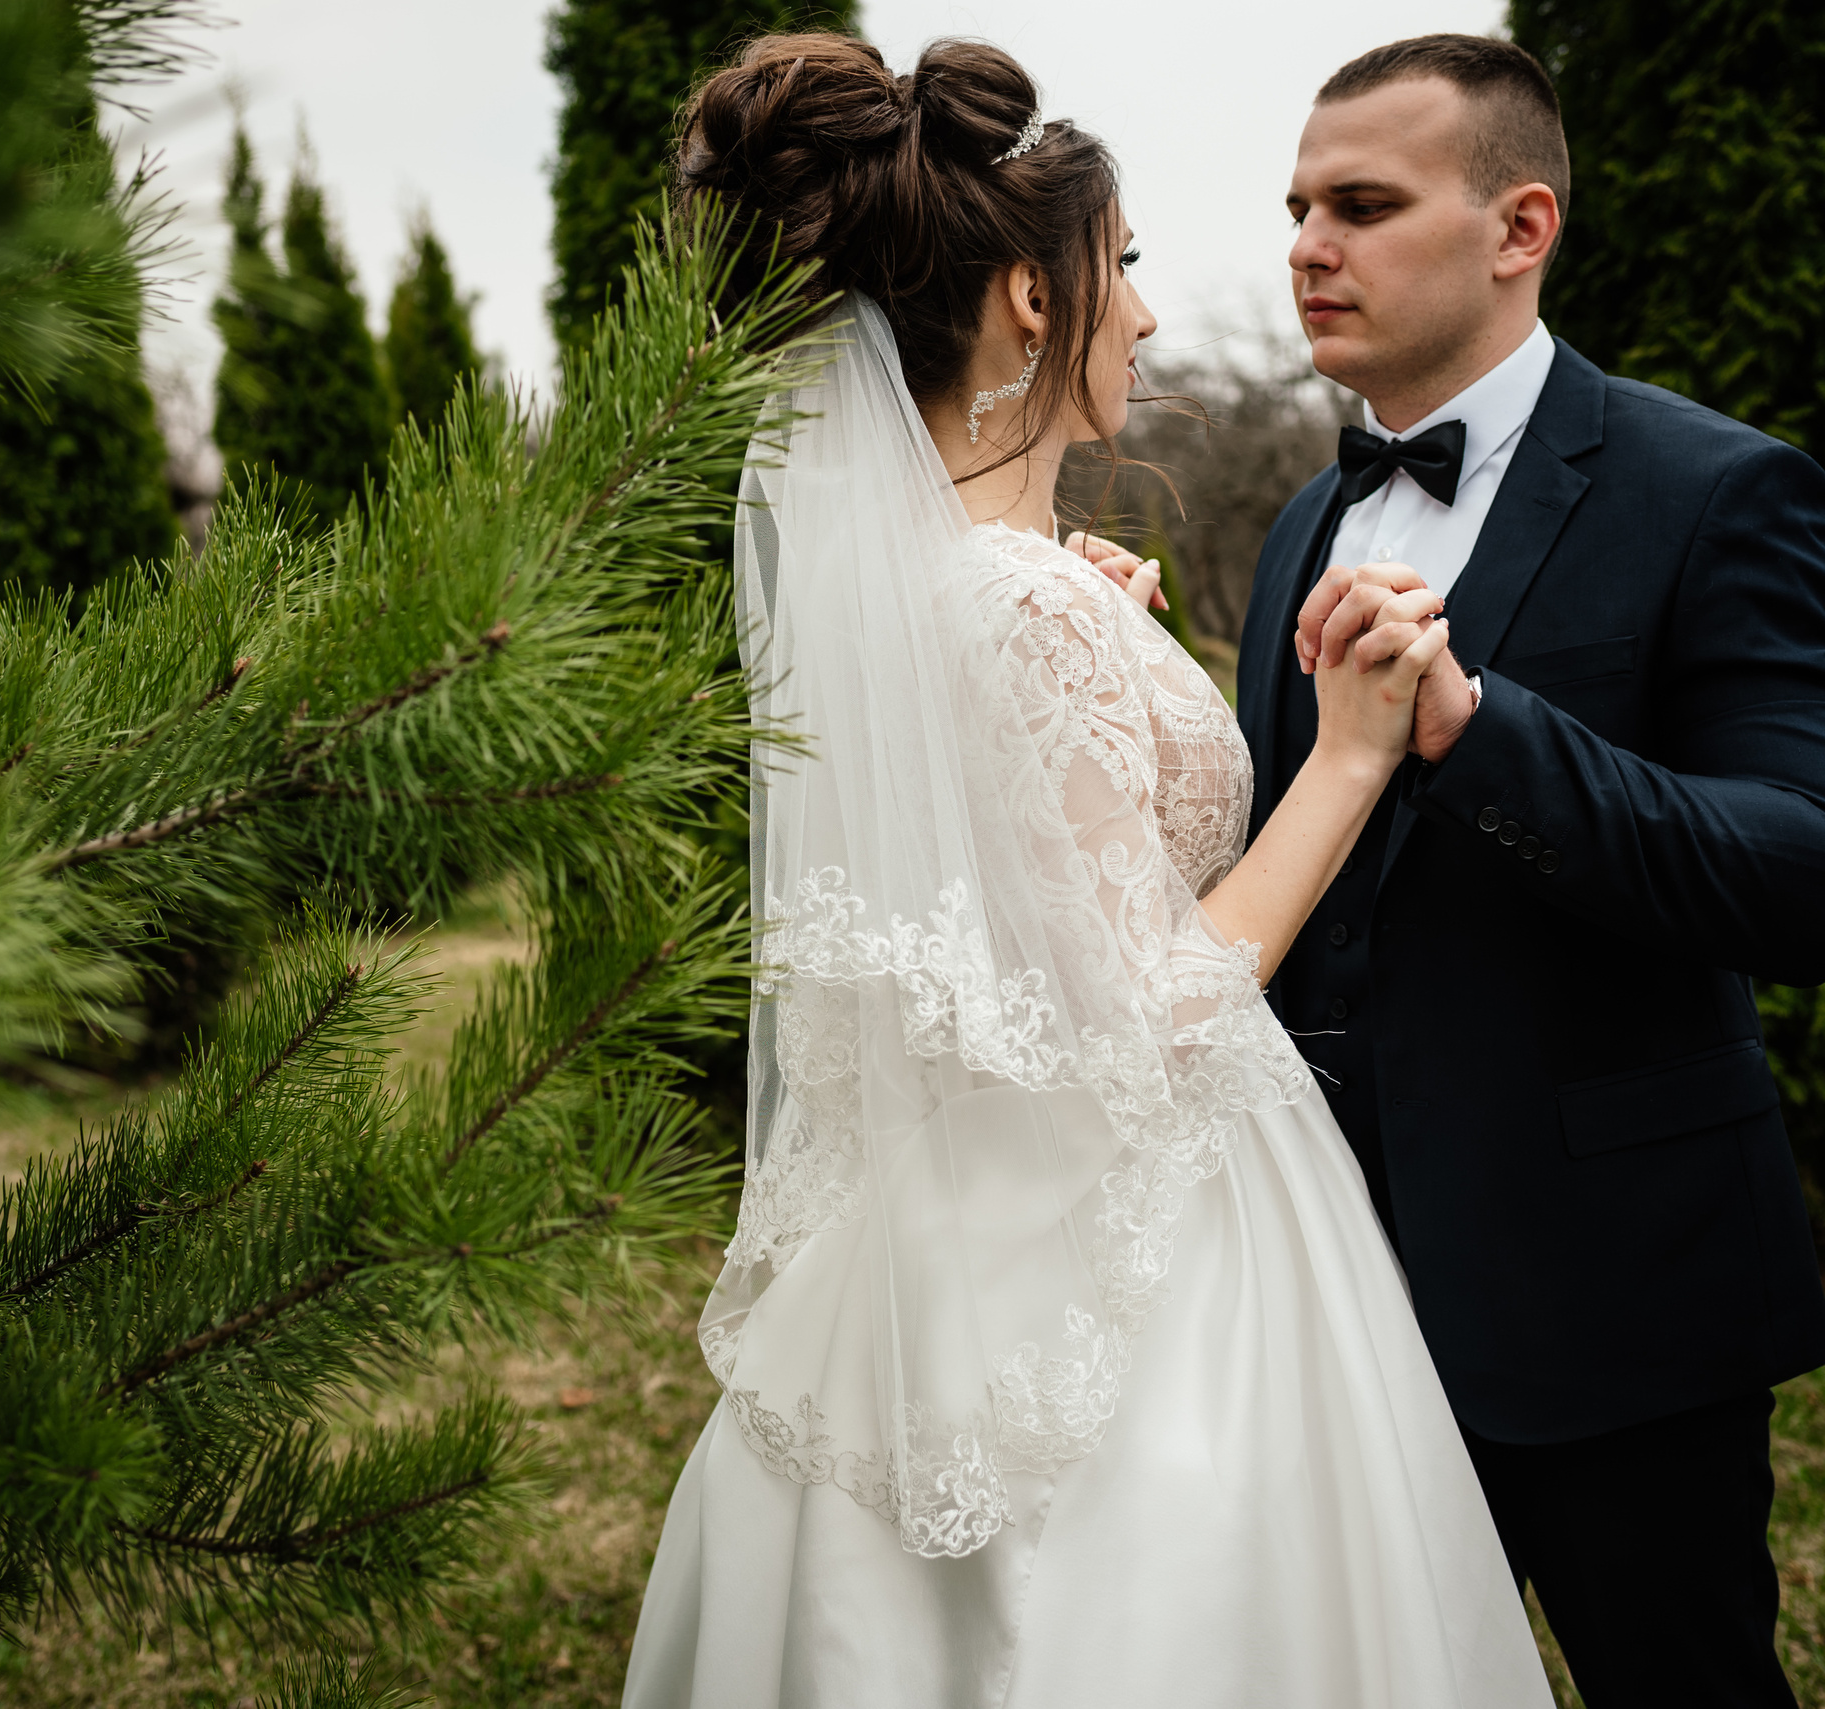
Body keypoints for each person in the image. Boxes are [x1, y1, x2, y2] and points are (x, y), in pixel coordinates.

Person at [622, 32, 1553, 1709]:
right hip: (1155, 1227)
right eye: (1117, 263)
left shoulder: (951, 590)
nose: (1144, 307)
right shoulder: (1019, 602)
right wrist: (1346, 754)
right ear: (1031, 303)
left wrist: (1093, 635)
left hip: (949, 1216)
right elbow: (1149, 1012)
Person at [1235, 35, 1825, 1708]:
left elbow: (1818, 872)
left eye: (1364, 205)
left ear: (1520, 224)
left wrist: (1479, 726)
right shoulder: (1303, 532)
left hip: (1614, 1293)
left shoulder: (1713, 490)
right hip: (1326, 1298)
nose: (1308, 242)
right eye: (1301, 203)